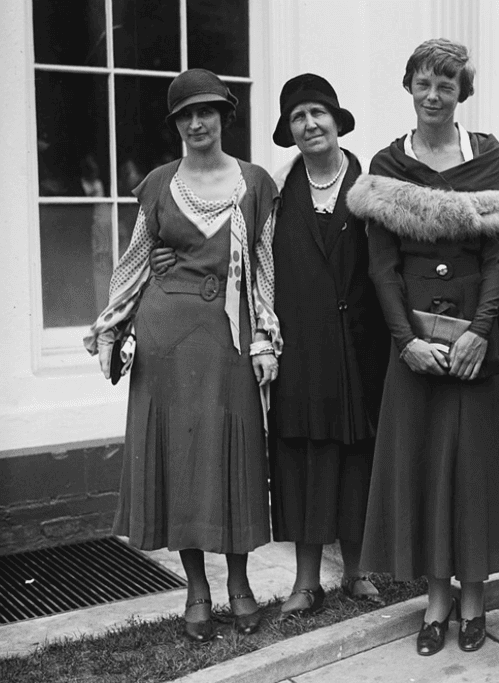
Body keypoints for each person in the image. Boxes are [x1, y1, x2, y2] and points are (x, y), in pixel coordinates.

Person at [84, 69, 281, 643]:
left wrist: (265, 336)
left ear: (224, 117)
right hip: (165, 339)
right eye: (185, 115)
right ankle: (196, 591)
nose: (197, 123)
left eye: (206, 112)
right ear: (175, 125)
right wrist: (109, 326)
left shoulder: (255, 183)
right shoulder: (157, 185)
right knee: (179, 459)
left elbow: (263, 268)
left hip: (228, 337)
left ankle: (239, 585)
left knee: (234, 454)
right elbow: (134, 262)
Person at [346, 38, 499, 656]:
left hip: (475, 338)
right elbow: (381, 266)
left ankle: (474, 599)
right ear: (409, 87)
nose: (433, 95)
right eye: (423, 83)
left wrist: (481, 332)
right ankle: (436, 601)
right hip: (414, 343)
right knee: (423, 465)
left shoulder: (490, 156)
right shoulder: (386, 163)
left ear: (461, 92)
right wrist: (406, 343)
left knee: (472, 468)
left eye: (446, 85)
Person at [266, 74, 390, 615]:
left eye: (318, 112)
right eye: (298, 117)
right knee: (303, 460)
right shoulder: (275, 192)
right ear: (289, 130)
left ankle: (357, 573)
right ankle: (306, 582)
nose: (310, 124)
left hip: (362, 348)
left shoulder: (370, 184)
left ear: (337, 121)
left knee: (358, 456)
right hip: (300, 349)